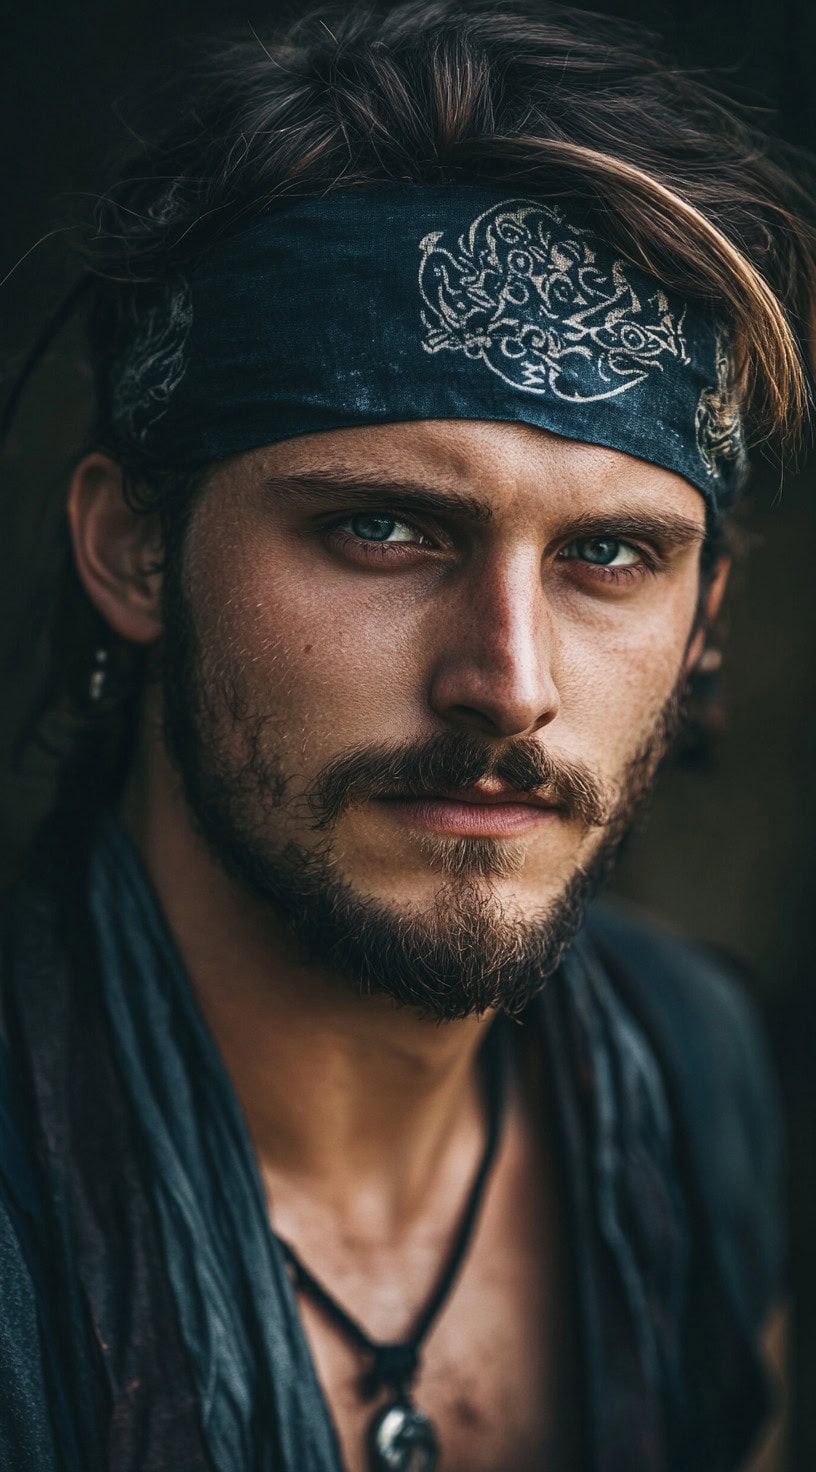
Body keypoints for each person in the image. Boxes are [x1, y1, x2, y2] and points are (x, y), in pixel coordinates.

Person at [0, 2, 811, 1468]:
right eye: (381, 528)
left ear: (703, 621)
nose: (507, 682)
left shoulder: (695, 1076)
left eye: (611, 556)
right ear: (132, 551)